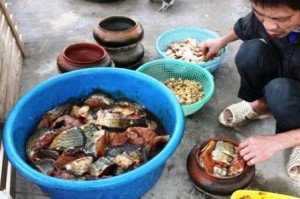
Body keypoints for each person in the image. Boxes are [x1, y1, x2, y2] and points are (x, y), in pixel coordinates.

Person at [201, 0, 300, 180]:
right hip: (288, 67)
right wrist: (220, 42)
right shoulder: (265, 13)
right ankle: (263, 106)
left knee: (280, 93)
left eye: (281, 19)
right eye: (260, 14)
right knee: (251, 51)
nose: (268, 26)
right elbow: (247, 26)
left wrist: (280, 141)